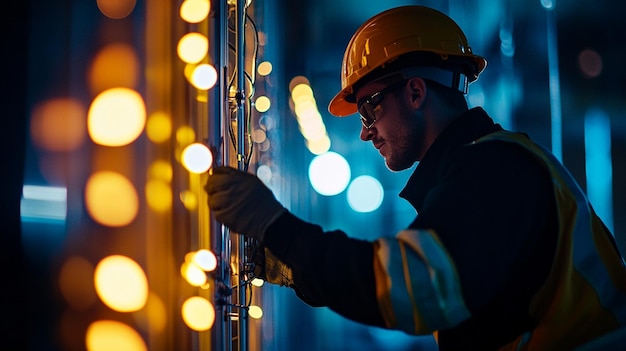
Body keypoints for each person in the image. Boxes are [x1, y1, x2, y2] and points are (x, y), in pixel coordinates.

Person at [205, 5, 626, 350]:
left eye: (368, 109)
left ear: (416, 92)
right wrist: (288, 262)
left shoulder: (497, 175)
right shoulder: (489, 167)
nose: (365, 131)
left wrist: (277, 227)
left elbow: (410, 288)